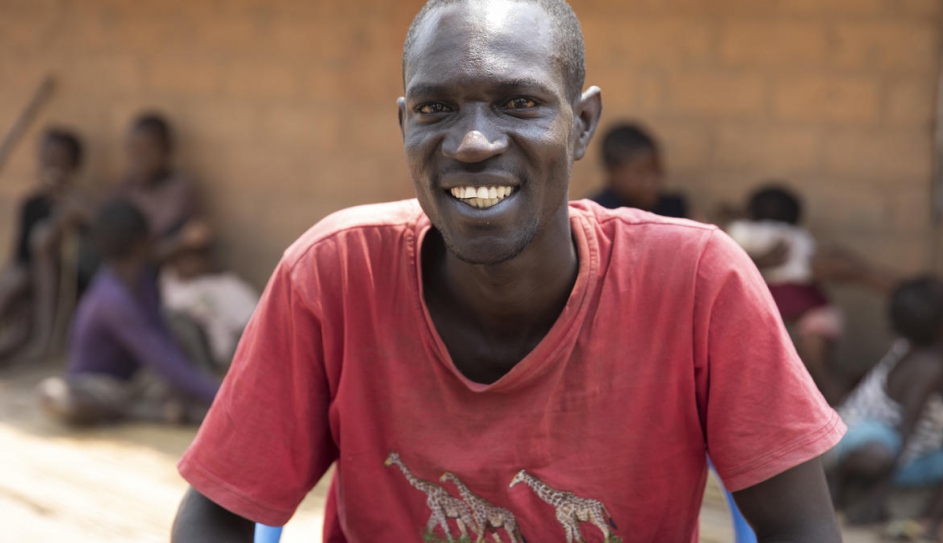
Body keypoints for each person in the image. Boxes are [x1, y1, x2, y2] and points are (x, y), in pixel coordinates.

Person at [172, 1, 844, 541]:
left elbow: (801, 528)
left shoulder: (697, 282)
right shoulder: (332, 276)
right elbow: (218, 516)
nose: (472, 142)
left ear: (582, 125)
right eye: (436, 109)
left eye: (520, 104)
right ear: (404, 125)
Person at [37, 200, 220, 426]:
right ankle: (150, 411)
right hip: (98, 384)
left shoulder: (141, 278)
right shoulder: (113, 300)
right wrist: (224, 397)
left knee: (181, 326)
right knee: (61, 398)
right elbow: (165, 361)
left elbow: (161, 338)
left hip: (135, 374)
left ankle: (170, 408)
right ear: (142, 242)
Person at [726, 185, 894, 404]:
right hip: (816, 313)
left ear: (751, 212)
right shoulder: (802, 238)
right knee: (820, 374)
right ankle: (844, 417)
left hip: (777, 316)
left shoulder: (748, 233)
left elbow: (733, 238)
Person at [827, 277, 943, 532]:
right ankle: (835, 485)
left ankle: (925, 525)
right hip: (861, 436)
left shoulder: (923, 352)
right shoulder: (930, 366)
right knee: (882, 449)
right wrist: (877, 500)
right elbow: (907, 428)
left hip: (909, 454)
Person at [0, 128, 93, 364]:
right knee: (13, 280)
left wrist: (61, 219)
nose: (54, 168)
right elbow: (20, 256)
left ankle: (46, 341)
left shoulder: (80, 204)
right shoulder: (32, 203)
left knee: (43, 240)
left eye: (61, 161)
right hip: (33, 280)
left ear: (74, 165)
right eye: (49, 160)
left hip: (69, 283)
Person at [159, 222, 260, 372]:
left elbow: (255, 329)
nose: (190, 261)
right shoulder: (167, 279)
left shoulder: (227, 286)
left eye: (198, 254)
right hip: (175, 362)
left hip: (218, 363)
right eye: (185, 254)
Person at [114, 112, 201, 261]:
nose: (141, 159)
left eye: (150, 150)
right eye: (136, 150)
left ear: (167, 150)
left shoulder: (180, 189)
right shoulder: (127, 185)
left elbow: (155, 234)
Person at [588, 122, 689, 218]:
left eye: (656, 169)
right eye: (640, 173)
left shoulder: (674, 209)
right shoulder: (598, 215)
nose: (651, 181)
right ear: (613, 173)